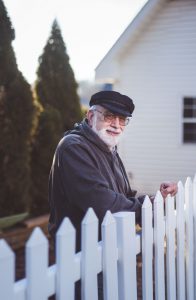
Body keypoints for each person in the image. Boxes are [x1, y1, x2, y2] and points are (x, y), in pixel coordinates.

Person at [48, 90, 177, 298]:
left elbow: (124, 195)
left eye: (123, 119)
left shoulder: (109, 148)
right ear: (91, 117)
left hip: (108, 250)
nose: (117, 124)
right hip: (83, 257)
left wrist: (155, 200)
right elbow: (102, 202)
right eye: (109, 116)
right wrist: (145, 208)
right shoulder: (73, 147)